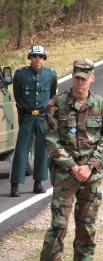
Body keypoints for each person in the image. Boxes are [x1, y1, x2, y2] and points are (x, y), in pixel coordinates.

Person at [40, 59, 103, 261]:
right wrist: (73, 166)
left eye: (84, 78)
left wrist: (90, 167)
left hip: (90, 176)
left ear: (92, 78)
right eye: (77, 78)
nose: (80, 82)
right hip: (65, 175)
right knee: (58, 226)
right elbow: (50, 140)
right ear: (73, 77)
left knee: (86, 227)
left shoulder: (100, 104)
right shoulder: (57, 104)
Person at [10, 44, 57, 197]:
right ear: (30, 57)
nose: (37, 59)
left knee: (42, 150)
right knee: (21, 149)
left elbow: (52, 95)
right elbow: (17, 95)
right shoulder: (21, 75)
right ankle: (15, 184)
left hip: (42, 116)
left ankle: (38, 182)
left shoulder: (50, 75)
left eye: (40, 56)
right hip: (28, 115)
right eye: (34, 56)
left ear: (44, 58)